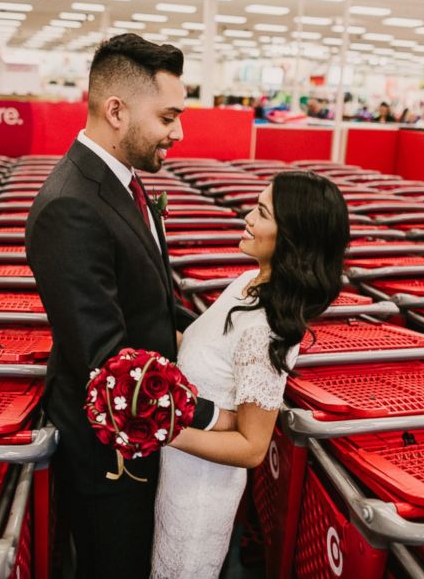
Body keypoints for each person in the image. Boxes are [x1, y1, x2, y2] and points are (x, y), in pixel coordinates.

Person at [25, 34, 226, 579]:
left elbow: (149, 303)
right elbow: (107, 361)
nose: (178, 132)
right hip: (106, 452)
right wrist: (218, 419)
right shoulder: (71, 204)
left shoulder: (121, 182)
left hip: (143, 427)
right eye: (168, 116)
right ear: (116, 110)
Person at [152, 171, 350, 579]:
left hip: (200, 494)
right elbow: (198, 348)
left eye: (261, 213)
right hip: (177, 469)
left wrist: (160, 430)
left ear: (292, 237)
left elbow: (252, 446)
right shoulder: (248, 282)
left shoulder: (266, 329)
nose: (247, 218)